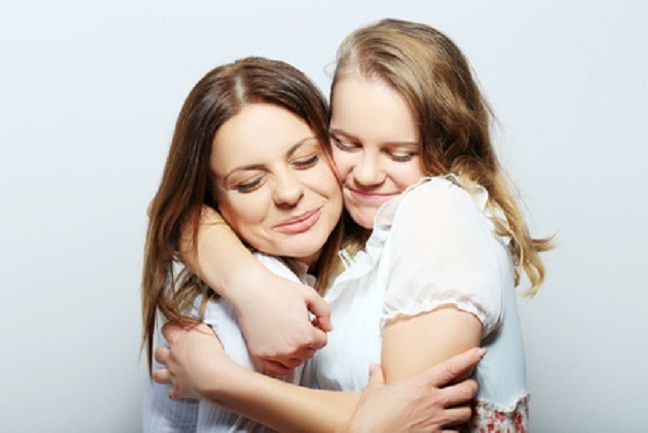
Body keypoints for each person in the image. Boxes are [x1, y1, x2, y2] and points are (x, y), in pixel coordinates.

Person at [142, 56, 481, 432]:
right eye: (250, 183)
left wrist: (223, 380)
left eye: (306, 160)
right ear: (213, 201)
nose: (288, 193)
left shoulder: (372, 235)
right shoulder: (234, 320)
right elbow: (412, 411)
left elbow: (414, 406)